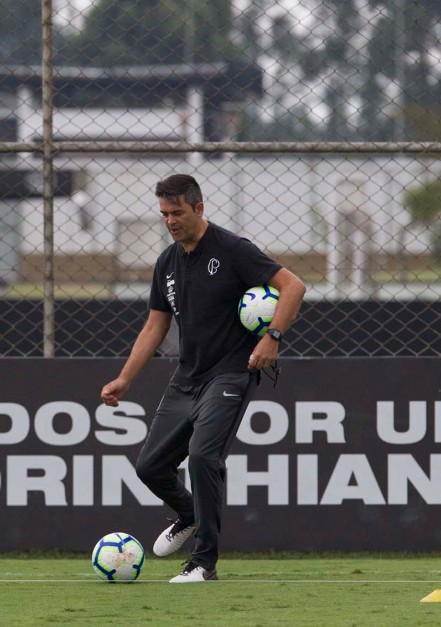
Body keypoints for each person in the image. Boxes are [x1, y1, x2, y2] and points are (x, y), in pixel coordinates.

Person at [100, 173, 306, 583]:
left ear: (199, 208)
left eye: (177, 212)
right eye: (163, 213)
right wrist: (125, 379)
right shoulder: (167, 262)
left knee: (203, 457)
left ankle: (203, 562)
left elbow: (293, 286)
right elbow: (155, 326)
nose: (170, 221)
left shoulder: (232, 250)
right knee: (149, 467)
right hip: (186, 377)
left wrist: (272, 339)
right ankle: (190, 514)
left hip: (231, 372)